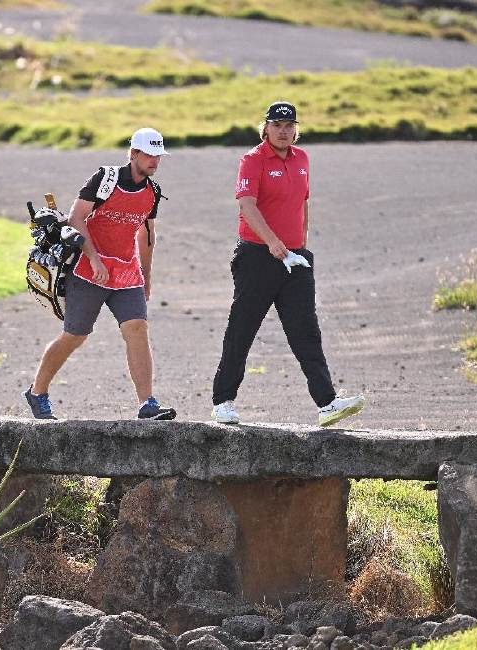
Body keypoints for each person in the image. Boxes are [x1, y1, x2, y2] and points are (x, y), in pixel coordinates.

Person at [211, 101, 366, 427]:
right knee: (242, 329)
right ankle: (223, 402)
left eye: (289, 125)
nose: (283, 131)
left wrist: (299, 247)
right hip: (257, 256)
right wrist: (273, 243)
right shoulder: (253, 160)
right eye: (277, 125)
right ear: (265, 128)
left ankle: (327, 404)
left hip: (294, 259)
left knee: (306, 332)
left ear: (295, 128)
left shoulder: (302, 159)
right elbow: (247, 206)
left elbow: (302, 205)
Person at [22, 127, 176, 421]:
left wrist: (146, 275)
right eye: (149, 155)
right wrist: (93, 258)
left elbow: (146, 233)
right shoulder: (105, 179)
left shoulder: (153, 192)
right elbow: (76, 218)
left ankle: (148, 404)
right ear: (133, 154)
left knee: (137, 329)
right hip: (88, 269)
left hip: (127, 272)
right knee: (74, 335)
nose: (154, 161)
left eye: (158, 156)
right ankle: (37, 392)